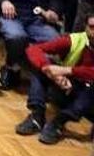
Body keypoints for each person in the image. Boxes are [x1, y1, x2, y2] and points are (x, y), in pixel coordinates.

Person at [16, 13, 94, 144]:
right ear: (85, 27)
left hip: (89, 101)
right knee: (39, 69)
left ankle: (58, 122)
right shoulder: (74, 40)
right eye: (92, 26)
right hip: (68, 88)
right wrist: (50, 70)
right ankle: (37, 115)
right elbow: (34, 49)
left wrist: (67, 71)